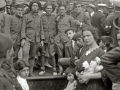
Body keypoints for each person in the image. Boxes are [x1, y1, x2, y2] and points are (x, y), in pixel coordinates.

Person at [21, 0, 45, 76]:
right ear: (31, 7)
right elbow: (23, 28)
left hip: (36, 39)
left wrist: (42, 39)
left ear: (38, 7)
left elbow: (41, 29)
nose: (35, 7)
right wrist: (23, 38)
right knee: (25, 55)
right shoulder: (26, 16)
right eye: (33, 6)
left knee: (32, 56)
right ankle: (24, 73)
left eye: (36, 6)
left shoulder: (39, 17)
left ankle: (30, 72)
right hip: (27, 39)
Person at [39, 2, 57, 76]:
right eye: (47, 8)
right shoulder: (42, 17)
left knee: (51, 54)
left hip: (52, 38)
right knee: (42, 53)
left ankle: (54, 70)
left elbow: (56, 28)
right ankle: (42, 69)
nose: (49, 9)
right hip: (44, 38)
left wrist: (55, 37)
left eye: (50, 8)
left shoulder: (55, 17)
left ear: (52, 9)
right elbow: (41, 28)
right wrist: (42, 39)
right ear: (45, 9)